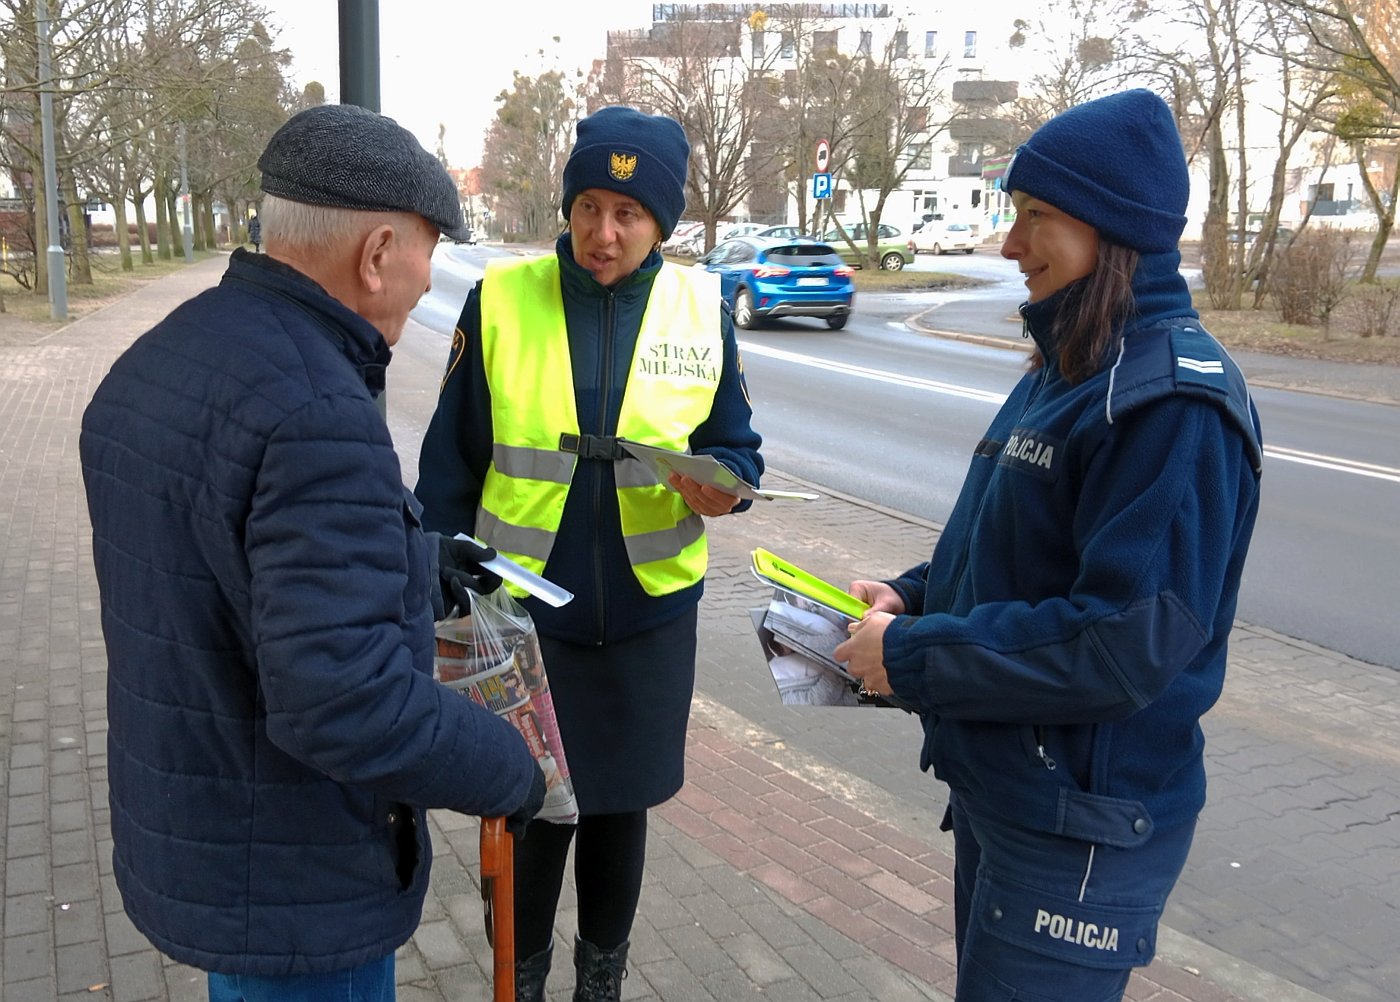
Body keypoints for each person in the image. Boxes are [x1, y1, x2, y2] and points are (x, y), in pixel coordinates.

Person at [79, 104, 547, 1002]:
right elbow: (347, 702)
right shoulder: (318, 414)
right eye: (426, 254)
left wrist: (415, 558)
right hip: (294, 875)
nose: (424, 283)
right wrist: (505, 768)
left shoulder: (166, 353)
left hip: (209, 820)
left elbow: (225, 568)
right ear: (375, 256)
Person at [834, 89, 1263, 1002]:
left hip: (1082, 829)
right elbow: (1017, 547)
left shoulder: (1171, 403)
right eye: (1015, 214)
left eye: (1039, 219)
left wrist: (911, 656)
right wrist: (916, 595)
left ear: (1112, 233)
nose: (1009, 244)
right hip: (1013, 789)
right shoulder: (1074, 365)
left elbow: (1122, 640)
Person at [415, 105, 763, 1002]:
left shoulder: (699, 304)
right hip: (522, 618)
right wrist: (442, 585)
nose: (603, 234)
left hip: (649, 619)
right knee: (529, 813)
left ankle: (599, 982)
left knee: (620, 810)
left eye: (630, 215)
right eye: (589, 208)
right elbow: (449, 463)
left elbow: (737, 443)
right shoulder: (500, 297)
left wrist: (726, 479)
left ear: (662, 224)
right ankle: (517, 983)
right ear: (567, 206)